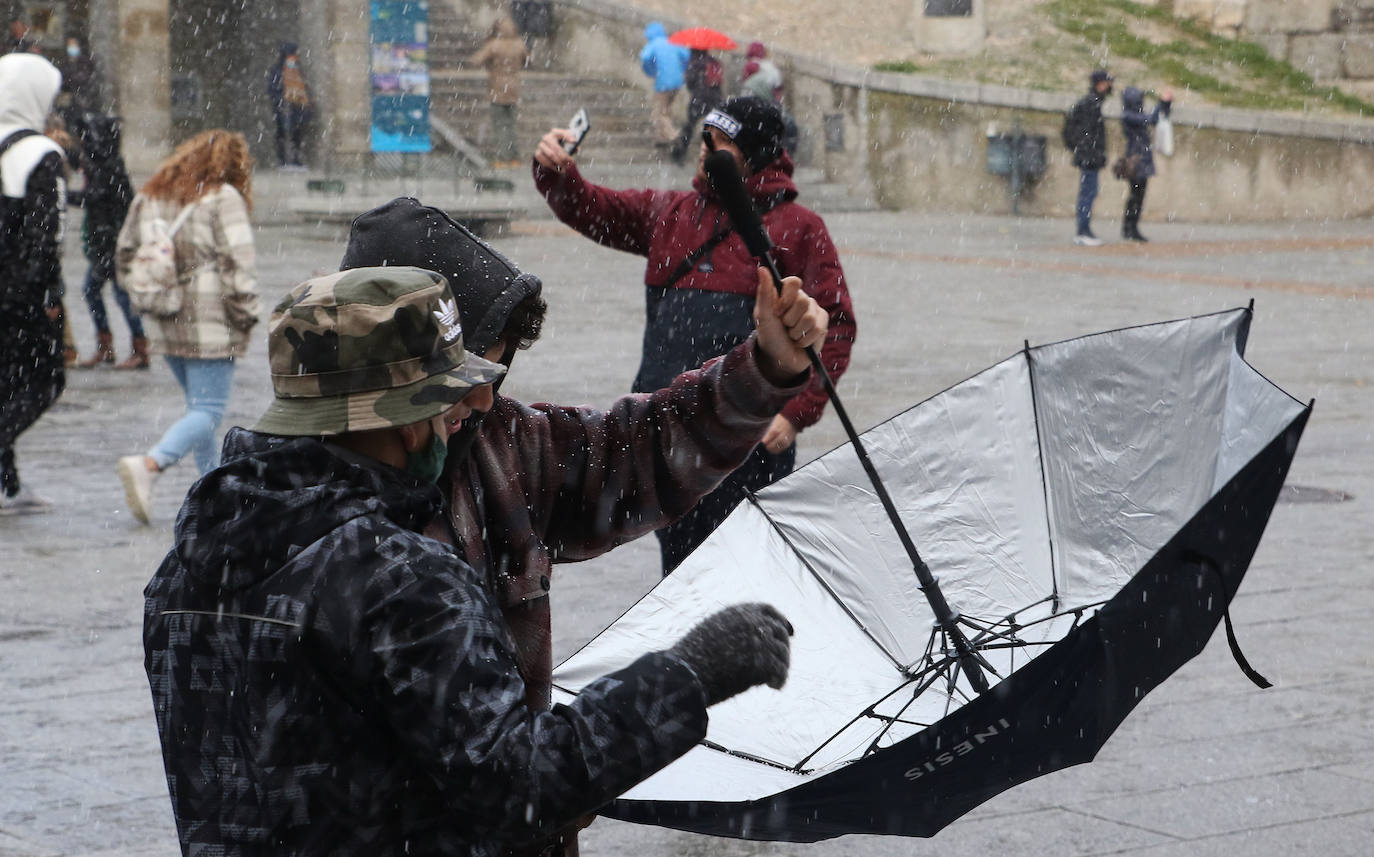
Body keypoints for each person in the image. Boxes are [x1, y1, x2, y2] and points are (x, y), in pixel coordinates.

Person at [142, 264, 796, 857]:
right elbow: (518, 788)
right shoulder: (397, 578)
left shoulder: (183, 571)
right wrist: (689, 673)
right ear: (398, 417)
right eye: (443, 400)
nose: (467, 412)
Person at [533, 95, 857, 574]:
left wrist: (792, 414)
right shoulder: (672, 213)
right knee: (681, 574)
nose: (706, 151)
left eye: (723, 143)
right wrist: (557, 171)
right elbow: (592, 208)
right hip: (667, 435)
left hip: (751, 443)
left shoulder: (800, 228)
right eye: (706, 139)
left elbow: (835, 326)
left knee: (746, 575)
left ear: (758, 152)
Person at [114, 129, 260, 524]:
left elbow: (124, 252)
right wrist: (247, 312)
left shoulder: (152, 194)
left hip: (164, 316)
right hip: (210, 317)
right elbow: (238, 263)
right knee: (209, 410)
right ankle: (150, 464)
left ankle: (213, 495)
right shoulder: (222, 198)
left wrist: (149, 287)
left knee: (199, 410)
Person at [0, 53, 66, 514]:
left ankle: (8, 484)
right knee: (45, 380)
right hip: (21, 295)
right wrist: (46, 295)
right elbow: (44, 238)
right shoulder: (41, 153)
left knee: (4, 382)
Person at [72, 113, 145, 369]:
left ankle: (138, 348)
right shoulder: (100, 164)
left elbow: (93, 197)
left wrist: (60, 193)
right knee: (94, 291)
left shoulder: (109, 167)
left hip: (113, 244)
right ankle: (108, 346)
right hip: (103, 242)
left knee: (120, 294)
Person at [469, 16, 528, 167]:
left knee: (500, 124)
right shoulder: (519, 44)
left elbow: (476, 60)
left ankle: (503, 157)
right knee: (512, 124)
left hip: (498, 87)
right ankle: (515, 156)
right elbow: (527, 60)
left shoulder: (494, 45)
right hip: (514, 87)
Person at [1064, 68, 1113, 246]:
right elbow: (1087, 133)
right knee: (1087, 193)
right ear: (1101, 84)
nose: (1110, 87)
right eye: (1108, 83)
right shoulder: (1090, 103)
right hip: (1089, 156)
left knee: (1089, 192)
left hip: (1089, 155)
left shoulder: (1091, 102)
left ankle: (1084, 229)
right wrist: (1090, 152)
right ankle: (1083, 231)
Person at [1119, 85, 1173, 243]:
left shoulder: (1133, 114)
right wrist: (1161, 102)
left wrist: (1165, 103)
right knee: (1135, 197)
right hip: (1136, 162)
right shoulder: (1129, 115)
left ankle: (1131, 227)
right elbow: (1152, 119)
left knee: (1137, 197)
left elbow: (1157, 117)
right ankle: (1130, 228)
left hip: (1141, 160)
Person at [669, 47, 723, 165]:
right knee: (716, 128)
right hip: (715, 99)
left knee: (689, 126)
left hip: (699, 99)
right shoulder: (714, 62)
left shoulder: (695, 63)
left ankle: (680, 153)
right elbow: (719, 81)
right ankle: (718, 155)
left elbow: (690, 82)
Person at [639, 21, 689, 147]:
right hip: (677, 82)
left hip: (663, 83)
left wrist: (650, 70)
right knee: (667, 109)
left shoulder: (653, 44)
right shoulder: (672, 41)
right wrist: (681, 69)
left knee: (660, 112)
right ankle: (661, 137)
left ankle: (673, 135)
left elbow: (644, 57)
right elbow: (686, 55)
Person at [265, 41, 311, 170]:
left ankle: (295, 159)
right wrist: (279, 101)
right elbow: (272, 89)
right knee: (282, 133)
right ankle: (283, 160)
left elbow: (302, 88)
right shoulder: (278, 70)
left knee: (296, 134)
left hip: (296, 107)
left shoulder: (296, 69)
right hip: (283, 107)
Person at [57, 35, 101, 119]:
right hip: (70, 102)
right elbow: (62, 79)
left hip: (85, 99)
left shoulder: (85, 62)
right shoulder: (65, 63)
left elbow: (84, 78)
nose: (72, 48)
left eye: (74, 45)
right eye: (70, 45)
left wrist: (71, 80)